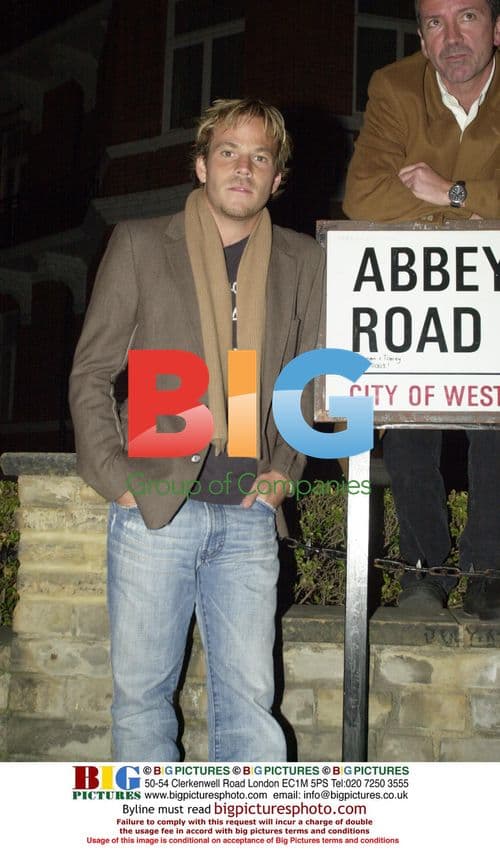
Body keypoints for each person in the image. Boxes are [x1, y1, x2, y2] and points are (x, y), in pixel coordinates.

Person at [69, 98, 324, 761]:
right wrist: (116, 478)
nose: (244, 167)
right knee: (143, 701)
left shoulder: (303, 262)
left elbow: (309, 382)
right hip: (157, 505)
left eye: (260, 157)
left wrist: (284, 472)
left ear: (277, 177)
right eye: (230, 152)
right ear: (202, 165)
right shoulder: (140, 243)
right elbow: (91, 371)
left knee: (250, 709)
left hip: (246, 515)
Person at [343, 0, 500, 618]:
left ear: (497, 26)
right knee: (406, 422)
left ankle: (489, 570)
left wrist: (447, 191)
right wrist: (474, 211)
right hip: (415, 289)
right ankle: (422, 569)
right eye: (436, 24)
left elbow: (401, 194)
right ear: (421, 35)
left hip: (493, 291)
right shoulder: (395, 85)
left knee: (495, 427)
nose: (453, 37)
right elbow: (363, 197)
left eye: (468, 18)